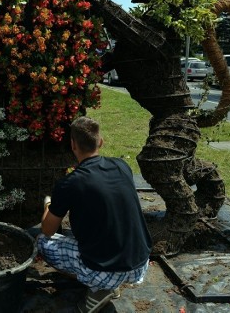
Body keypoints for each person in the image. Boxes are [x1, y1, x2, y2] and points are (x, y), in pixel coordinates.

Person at [37, 116, 152, 313]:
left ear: (73, 145)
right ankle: (107, 283)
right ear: (101, 141)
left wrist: (48, 204)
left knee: (42, 242)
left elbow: (48, 230)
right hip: (140, 263)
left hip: (106, 269)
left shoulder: (70, 183)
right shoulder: (122, 166)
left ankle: (98, 289)